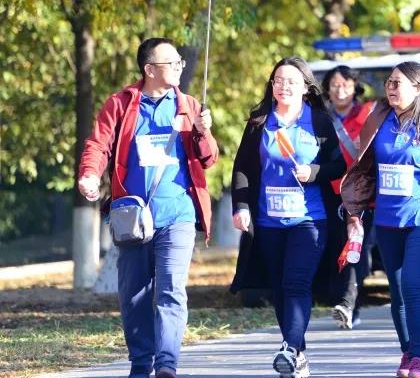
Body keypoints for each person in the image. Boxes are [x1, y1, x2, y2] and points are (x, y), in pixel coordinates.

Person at [77, 37, 218, 378]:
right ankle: (141, 363)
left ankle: (166, 364)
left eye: (181, 62)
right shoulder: (121, 104)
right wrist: (90, 174)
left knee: (171, 290)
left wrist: (203, 132)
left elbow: (209, 158)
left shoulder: (188, 105)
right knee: (134, 294)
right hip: (133, 217)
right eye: (172, 63)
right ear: (150, 69)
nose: (180, 67)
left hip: (178, 215)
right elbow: (98, 144)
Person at [340, 61, 420, 378]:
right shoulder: (379, 116)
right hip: (386, 220)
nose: (391, 88)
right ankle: (408, 353)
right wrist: (355, 212)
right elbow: (364, 168)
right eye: (389, 82)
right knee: (397, 291)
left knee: (412, 284)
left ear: (418, 87)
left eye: (398, 83)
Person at [230, 56, 346, 378]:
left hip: (309, 219)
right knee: (280, 288)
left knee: (297, 283)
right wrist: (241, 207)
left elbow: (339, 165)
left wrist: (314, 172)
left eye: (291, 81)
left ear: (306, 87)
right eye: (278, 80)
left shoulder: (318, 121)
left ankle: (289, 349)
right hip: (268, 220)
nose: (283, 86)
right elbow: (242, 168)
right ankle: (298, 352)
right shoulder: (259, 121)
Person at [321, 65, 375, 330]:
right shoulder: (320, 118)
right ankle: (346, 302)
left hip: (362, 193)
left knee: (357, 245)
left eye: (345, 84)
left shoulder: (369, 114)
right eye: (334, 85)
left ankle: (349, 303)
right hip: (329, 191)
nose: (340, 90)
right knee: (336, 245)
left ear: (355, 88)